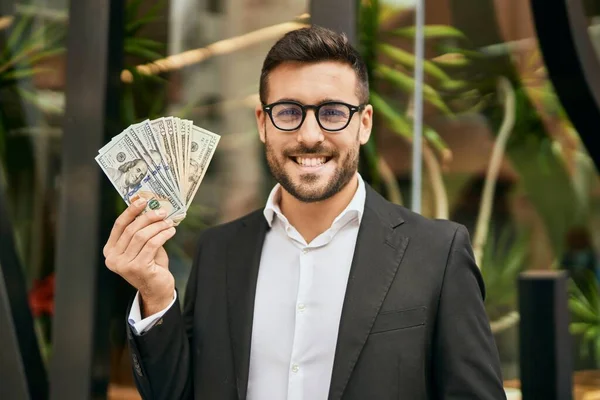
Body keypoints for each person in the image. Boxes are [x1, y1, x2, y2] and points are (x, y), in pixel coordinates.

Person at [103, 26, 506, 400]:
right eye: (289, 112)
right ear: (263, 123)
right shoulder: (219, 251)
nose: (310, 135)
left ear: (363, 124)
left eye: (332, 112)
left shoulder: (437, 252)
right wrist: (155, 296)